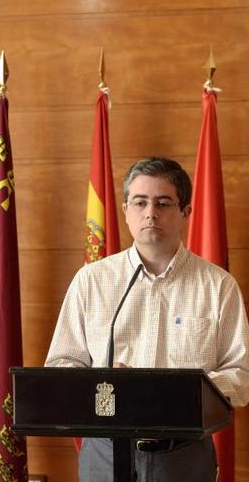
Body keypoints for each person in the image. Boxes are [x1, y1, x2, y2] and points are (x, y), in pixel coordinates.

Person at [45, 157, 249, 481]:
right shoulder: (91, 281)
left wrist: (180, 390)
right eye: (140, 202)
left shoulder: (218, 286)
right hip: (105, 453)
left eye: (163, 203)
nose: (150, 213)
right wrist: (103, 381)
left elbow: (241, 375)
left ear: (186, 212)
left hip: (183, 456)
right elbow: (60, 365)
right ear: (125, 210)